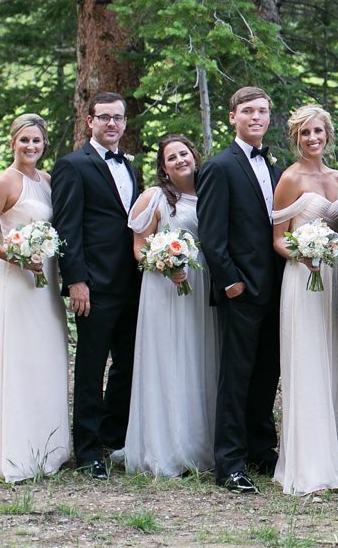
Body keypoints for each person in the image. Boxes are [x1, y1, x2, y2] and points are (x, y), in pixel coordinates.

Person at [0, 114, 70, 482]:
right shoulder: (5, 181)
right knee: (21, 359)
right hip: (17, 281)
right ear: (12, 142)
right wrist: (16, 256)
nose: (30, 146)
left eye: (36, 141)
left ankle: (50, 449)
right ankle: (19, 453)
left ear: (44, 145)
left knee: (49, 357)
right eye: (24, 140)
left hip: (46, 280)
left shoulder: (47, 181)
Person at [196, 87, 283, 494]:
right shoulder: (219, 166)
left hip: (276, 288)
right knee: (236, 376)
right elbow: (212, 235)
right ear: (233, 117)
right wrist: (230, 282)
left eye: (262, 111)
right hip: (241, 290)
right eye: (248, 111)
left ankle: (260, 449)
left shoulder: (277, 167)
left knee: (267, 372)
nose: (256, 117)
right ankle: (229, 463)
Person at [52, 92, 141, 480]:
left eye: (118, 118)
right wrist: (76, 280)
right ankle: (87, 451)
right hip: (94, 285)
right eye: (104, 117)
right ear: (90, 121)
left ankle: (112, 437)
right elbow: (67, 227)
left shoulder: (130, 167)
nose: (112, 124)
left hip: (132, 283)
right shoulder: (73, 165)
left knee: (127, 364)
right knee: (91, 368)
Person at [124, 135, 219, 477]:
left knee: (198, 358)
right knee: (168, 361)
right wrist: (163, 264)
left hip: (202, 285)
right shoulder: (155, 198)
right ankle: (164, 448)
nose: (180, 160)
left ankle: (197, 446)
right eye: (172, 157)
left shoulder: (209, 192)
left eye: (184, 153)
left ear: (194, 156)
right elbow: (138, 247)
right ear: (163, 167)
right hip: (164, 288)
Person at [271, 105, 338, 494]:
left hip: (334, 276)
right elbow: (277, 239)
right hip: (303, 277)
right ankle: (309, 465)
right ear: (296, 138)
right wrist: (303, 254)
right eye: (305, 133)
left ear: (327, 134)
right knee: (307, 362)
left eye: (317, 131)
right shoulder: (290, 178)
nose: (312, 138)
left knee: (334, 361)